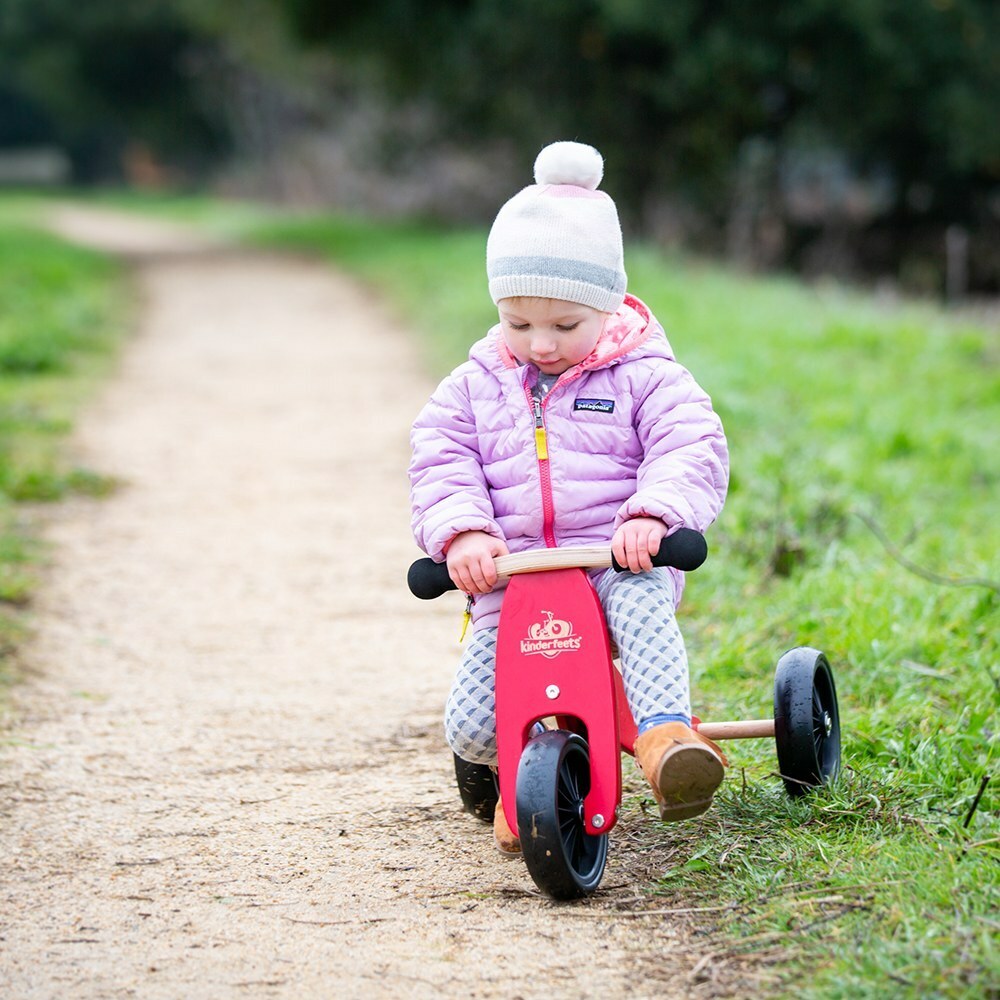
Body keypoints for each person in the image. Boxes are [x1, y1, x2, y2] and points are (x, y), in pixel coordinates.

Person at [409, 141, 729, 853]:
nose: (541, 344)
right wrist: (462, 533)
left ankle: (664, 739)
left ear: (607, 307)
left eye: (564, 325)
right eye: (518, 324)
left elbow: (689, 444)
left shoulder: (645, 376)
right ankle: (527, 770)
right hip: (514, 576)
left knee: (641, 610)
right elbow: (440, 457)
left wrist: (653, 515)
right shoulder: (476, 385)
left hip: (615, 560)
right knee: (472, 727)